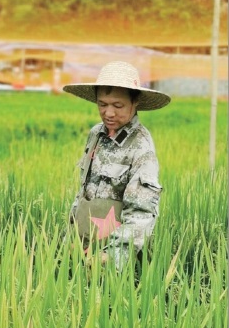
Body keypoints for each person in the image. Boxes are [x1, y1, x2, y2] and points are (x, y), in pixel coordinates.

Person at [63, 60, 171, 270]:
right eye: (102, 104)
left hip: (116, 260)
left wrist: (110, 257)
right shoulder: (96, 133)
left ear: (135, 101)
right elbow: (83, 192)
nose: (109, 113)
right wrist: (71, 238)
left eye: (118, 106)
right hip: (83, 246)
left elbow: (141, 214)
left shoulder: (141, 147)